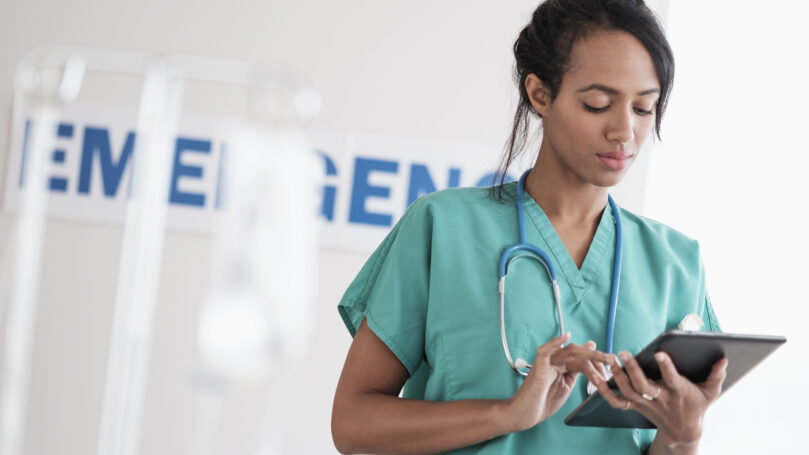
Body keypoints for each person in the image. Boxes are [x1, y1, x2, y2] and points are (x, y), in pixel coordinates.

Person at [331, 0, 726, 453]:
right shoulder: (442, 228)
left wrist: (684, 434)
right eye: (598, 104)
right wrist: (508, 414)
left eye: (643, 108)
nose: (624, 131)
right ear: (540, 94)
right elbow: (353, 424)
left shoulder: (676, 264)